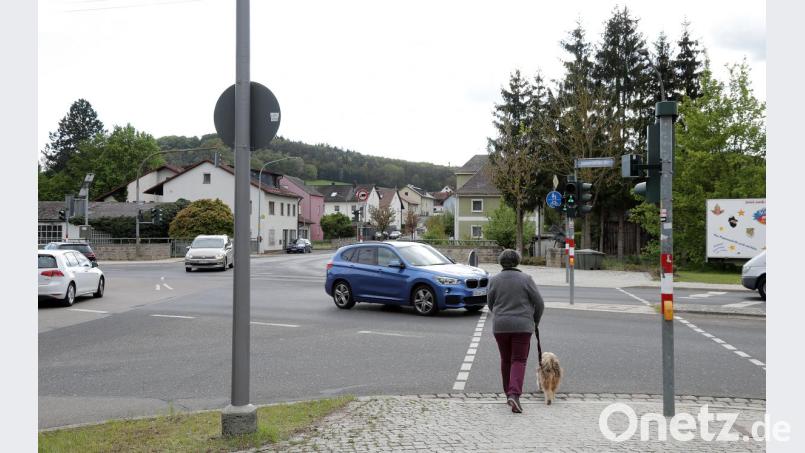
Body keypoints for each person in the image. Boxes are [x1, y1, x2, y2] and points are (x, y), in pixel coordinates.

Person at [486, 249, 545, 413]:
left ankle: (508, 394)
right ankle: (514, 394)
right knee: (519, 360)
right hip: (522, 325)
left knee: (506, 360)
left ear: (501, 262)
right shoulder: (526, 279)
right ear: (518, 261)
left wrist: (500, 315)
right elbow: (539, 303)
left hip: (500, 326)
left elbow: (490, 303)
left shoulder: (494, 280)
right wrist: (535, 321)